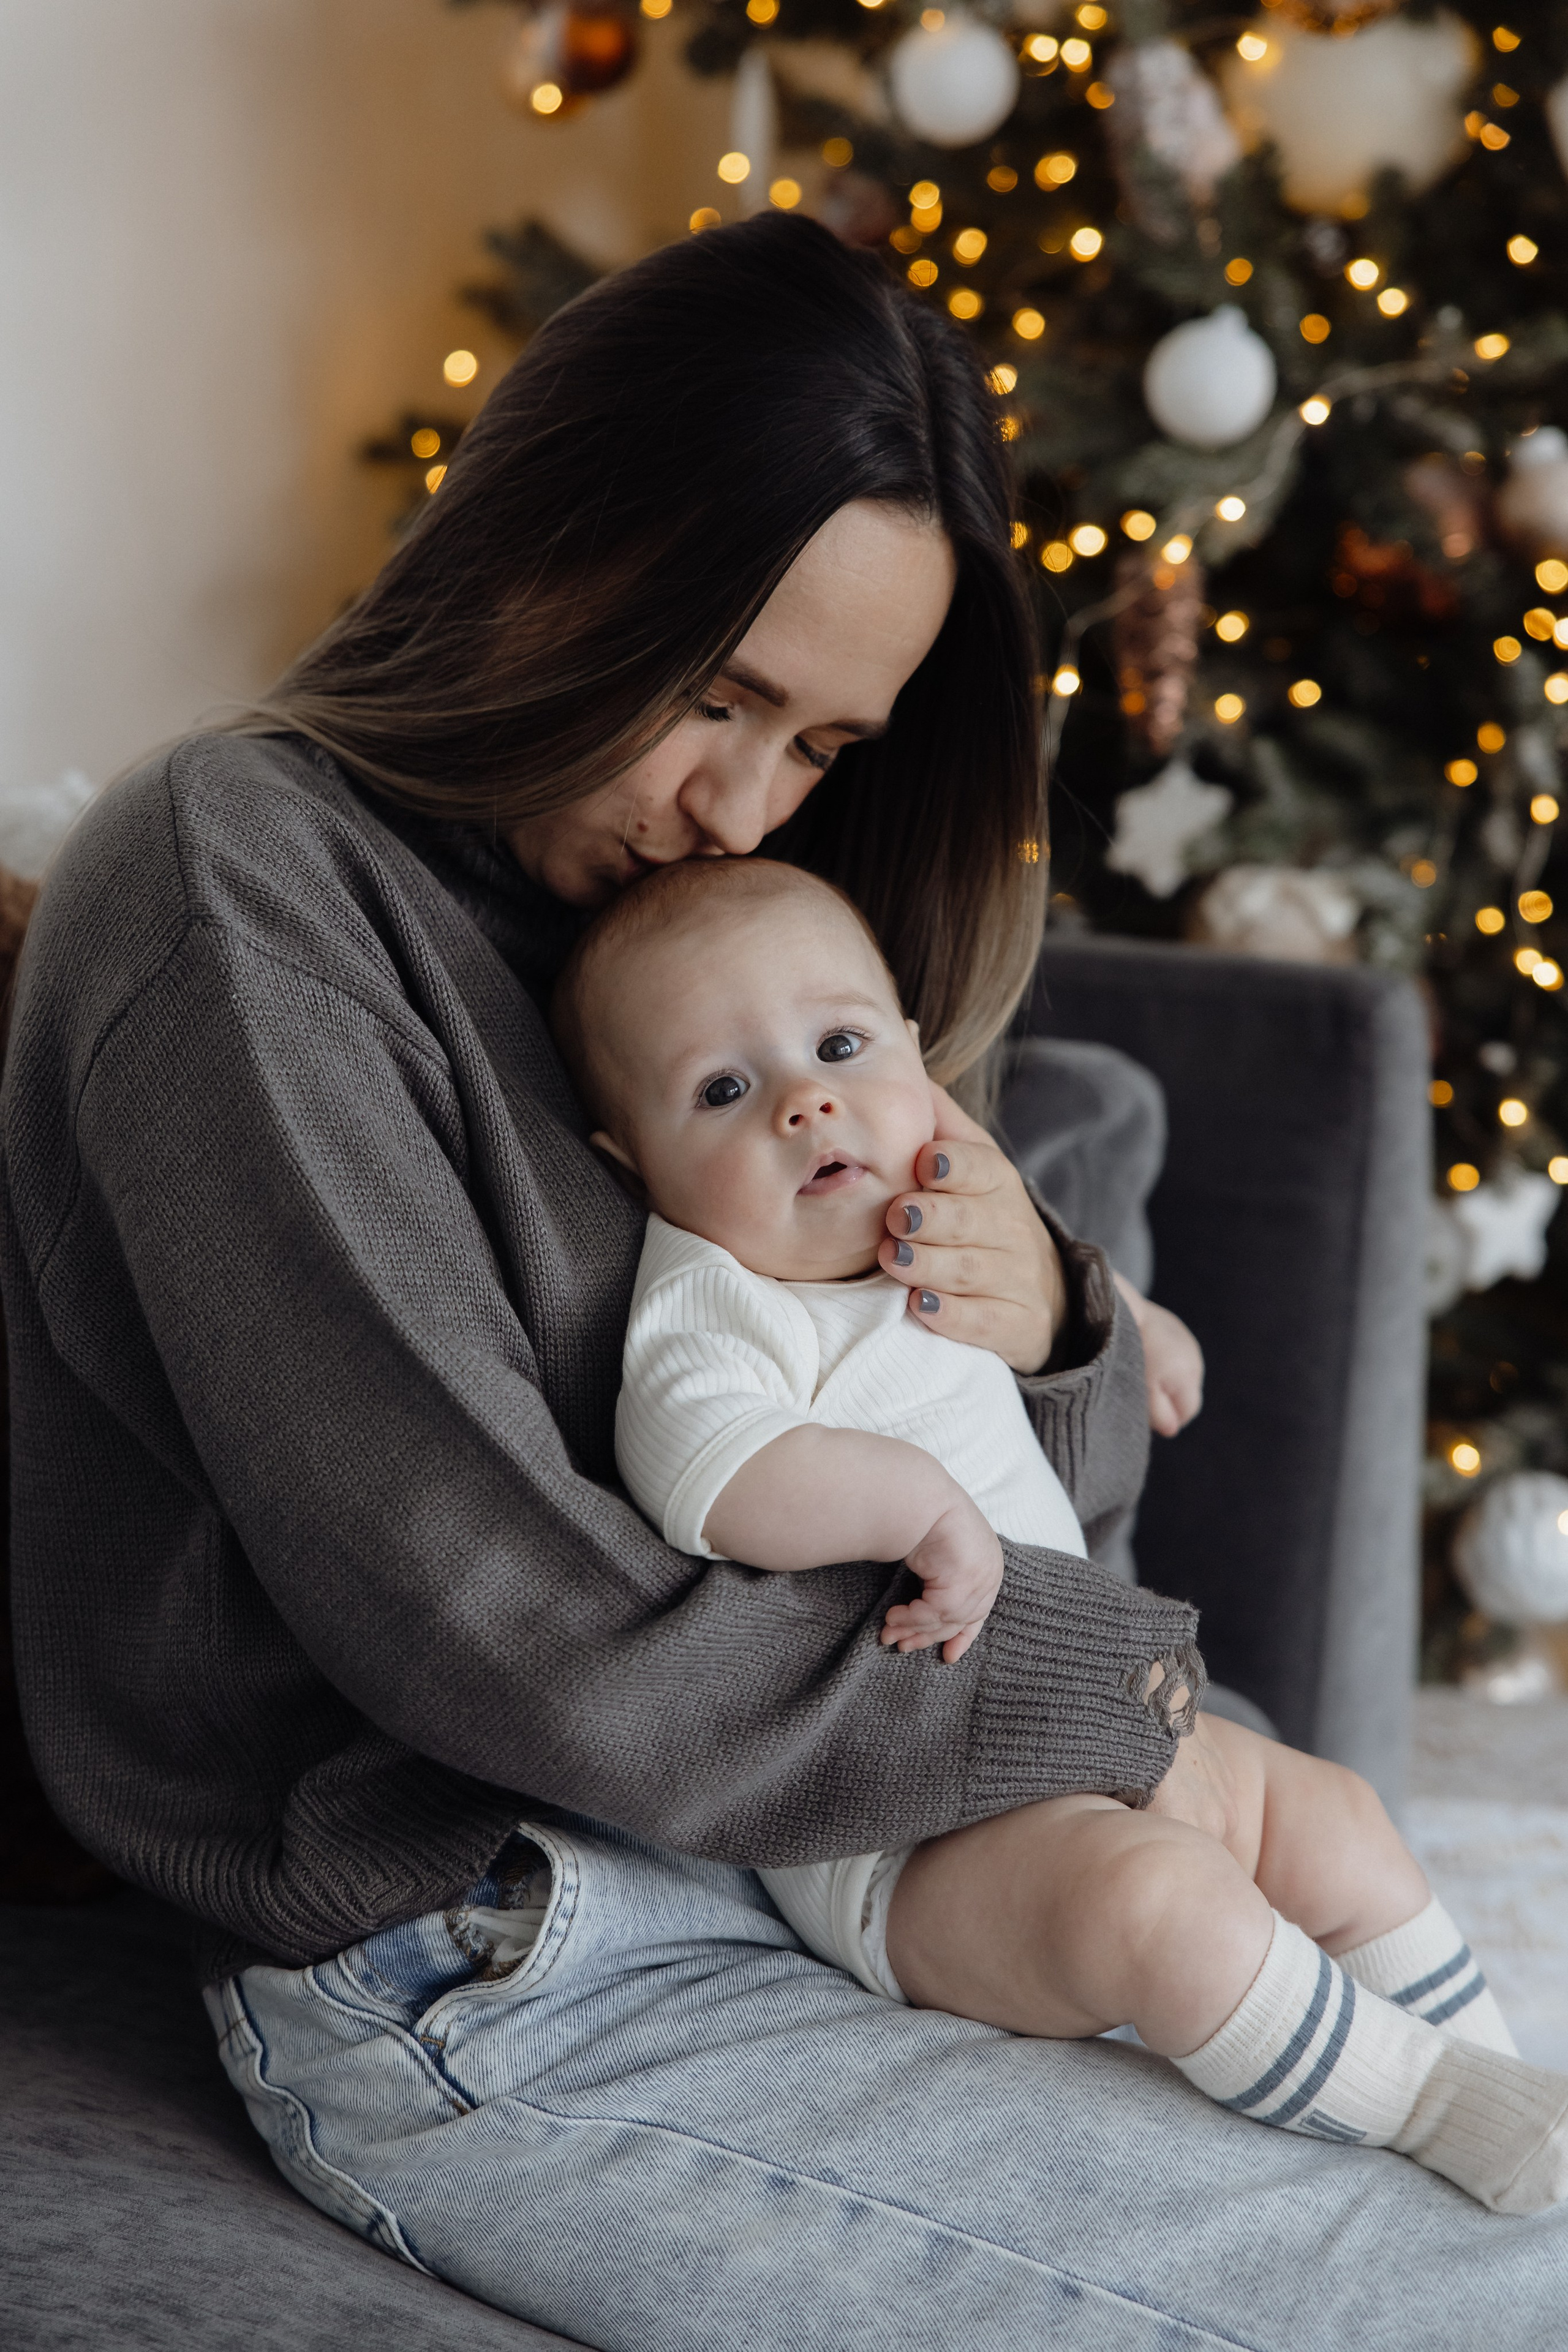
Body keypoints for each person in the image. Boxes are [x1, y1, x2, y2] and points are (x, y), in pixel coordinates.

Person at [6, 214, 1566, 2347]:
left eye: (823, 744)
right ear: (540, 543)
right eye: (718, 693)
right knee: (1460, 2294)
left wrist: (1061, 1334)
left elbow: (1038, 1534)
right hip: (528, 1939)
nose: (741, 806)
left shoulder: (751, 941)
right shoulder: (237, 890)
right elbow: (509, 1632)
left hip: (909, 1829)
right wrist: (1113, 1702)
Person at [556, 850, 1568, 2216]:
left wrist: (1131, 1321)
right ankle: (1431, 2104)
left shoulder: (926, 1215)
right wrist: (915, 1508)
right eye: (722, 1092)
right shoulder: (717, 1295)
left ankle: (1502, 2081)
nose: (806, 1102)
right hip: (913, 1828)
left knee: (1333, 1817)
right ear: (632, 1162)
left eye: (840, 1047)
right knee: (1159, 1910)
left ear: (915, 1052)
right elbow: (707, 1465)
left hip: (1094, 1715)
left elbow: (1034, 1297)